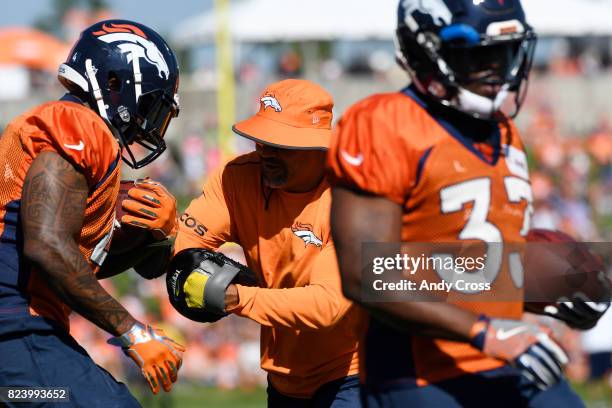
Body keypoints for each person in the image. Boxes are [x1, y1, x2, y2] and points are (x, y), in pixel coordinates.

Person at [327, 1, 585, 407]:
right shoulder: (384, 123)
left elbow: (477, 257)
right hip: (420, 376)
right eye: (479, 54)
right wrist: (485, 331)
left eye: (505, 52)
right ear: (426, 50)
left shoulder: (503, 133)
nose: (498, 69)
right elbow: (365, 272)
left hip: (505, 361)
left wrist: (558, 282)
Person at [0, 20, 184, 406]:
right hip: (18, 332)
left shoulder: (77, 129)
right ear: (115, 84)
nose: (150, 121)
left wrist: (147, 238)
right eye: (150, 103)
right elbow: (47, 246)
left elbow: (69, 259)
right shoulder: (80, 124)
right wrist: (131, 331)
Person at [172, 79, 361, 407]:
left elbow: (328, 305)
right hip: (283, 377)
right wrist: (162, 231)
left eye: (280, 144)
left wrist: (234, 296)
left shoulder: (353, 198)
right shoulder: (236, 178)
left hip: (352, 372)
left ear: (318, 146)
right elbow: (185, 248)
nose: (265, 152)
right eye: (262, 140)